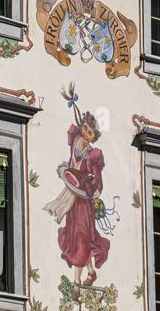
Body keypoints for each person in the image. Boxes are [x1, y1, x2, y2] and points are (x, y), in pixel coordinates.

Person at [43, 85, 110, 285]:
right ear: (82, 128)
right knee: (77, 240)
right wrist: (67, 166)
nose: (87, 133)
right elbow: (73, 163)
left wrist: (87, 182)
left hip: (83, 201)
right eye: (86, 129)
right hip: (72, 199)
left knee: (81, 239)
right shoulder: (75, 142)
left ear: (94, 138)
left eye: (91, 133)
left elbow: (96, 182)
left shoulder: (93, 155)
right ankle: (91, 273)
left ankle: (76, 283)